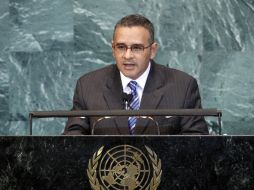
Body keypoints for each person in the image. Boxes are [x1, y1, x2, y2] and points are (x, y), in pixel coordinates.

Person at [63, 14, 208, 135]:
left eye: (136, 48)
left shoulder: (182, 87)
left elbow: (196, 141)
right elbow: (73, 139)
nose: (127, 55)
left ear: (152, 50)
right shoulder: (88, 86)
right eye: (121, 47)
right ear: (113, 49)